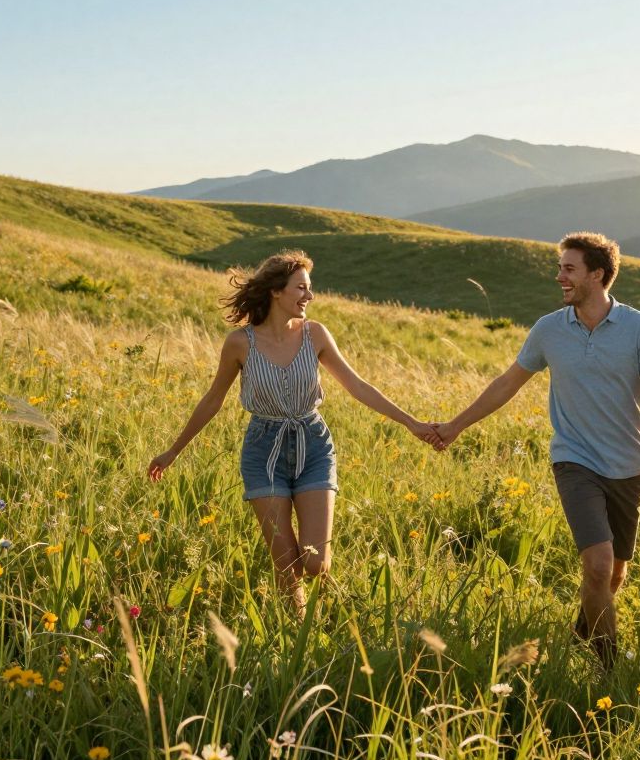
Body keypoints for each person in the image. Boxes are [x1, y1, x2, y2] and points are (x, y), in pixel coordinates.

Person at [147, 251, 438, 613]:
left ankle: (333, 606)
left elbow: (358, 386)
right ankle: (298, 633)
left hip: (313, 445)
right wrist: (173, 451)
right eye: (301, 288)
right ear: (276, 291)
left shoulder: (315, 334)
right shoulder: (240, 343)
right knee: (286, 565)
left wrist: (412, 423)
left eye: (308, 288)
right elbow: (212, 400)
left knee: (315, 563)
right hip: (262, 451)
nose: (309, 296)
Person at [432, 232, 640, 668]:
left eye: (569, 269)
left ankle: (582, 632)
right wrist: (455, 426)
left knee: (614, 573)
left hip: (627, 465)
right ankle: (608, 668)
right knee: (598, 565)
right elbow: (507, 383)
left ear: (597, 274)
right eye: (560, 267)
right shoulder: (549, 329)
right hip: (574, 460)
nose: (559, 276)